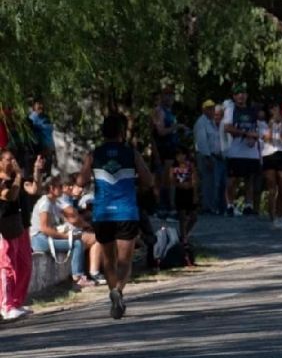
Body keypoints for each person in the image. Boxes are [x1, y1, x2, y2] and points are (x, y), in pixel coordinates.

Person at [77, 114, 153, 319]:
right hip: (126, 211)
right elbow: (148, 181)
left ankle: (113, 293)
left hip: (102, 213)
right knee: (124, 260)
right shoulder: (131, 153)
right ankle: (118, 291)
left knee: (109, 259)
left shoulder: (94, 155)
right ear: (121, 132)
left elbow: (81, 180)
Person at [0, 151, 44, 321]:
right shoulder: (4, 180)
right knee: (7, 266)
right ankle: (6, 306)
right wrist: (18, 176)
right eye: (9, 159)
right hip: (5, 227)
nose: (13, 162)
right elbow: (10, 196)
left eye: (14, 158)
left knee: (25, 264)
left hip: (22, 226)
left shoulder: (18, 178)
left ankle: (17, 302)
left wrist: (37, 172)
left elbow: (35, 189)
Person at [30, 176, 95, 289]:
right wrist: (65, 237)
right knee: (77, 243)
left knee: (77, 240)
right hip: (40, 239)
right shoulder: (45, 203)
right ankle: (78, 278)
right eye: (60, 187)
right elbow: (44, 228)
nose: (62, 190)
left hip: (45, 238)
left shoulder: (54, 202)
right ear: (51, 188)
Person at [222, 83, 261, 216]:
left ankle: (248, 205)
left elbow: (256, 129)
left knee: (249, 179)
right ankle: (230, 205)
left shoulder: (252, 111)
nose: (241, 96)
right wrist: (245, 134)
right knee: (232, 179)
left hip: (251, 151)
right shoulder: (231, 109)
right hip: (235, 150)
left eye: (243, 93)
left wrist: (254, 137)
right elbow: (227, 127)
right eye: (238, 93)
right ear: (234, 96)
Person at [151, 86, 185, 214]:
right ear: (161, 96)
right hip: (162, 150)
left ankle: (169, 206)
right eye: (167, 95)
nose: (170, 97)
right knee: (163, 179)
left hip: (171, 149)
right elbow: (160, 132)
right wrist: (176, 126)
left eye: (172, 95)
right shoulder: (159, 111)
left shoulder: (169, 112)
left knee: (170, 179)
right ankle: (161, 207)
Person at [259, 103, 282, 229]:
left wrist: (280, 127)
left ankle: (281, 215)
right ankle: (273, 218)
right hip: (268, 154)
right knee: (272, 188)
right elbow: (267, 139)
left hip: (281, 154)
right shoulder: (262, 124)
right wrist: (272, 125)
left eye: (276, 108)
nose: (274, 110)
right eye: (272, 108)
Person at [193, 99, 223, 214]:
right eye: (209, 108)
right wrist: (207, 157)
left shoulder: (211, 123)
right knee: (206, 181)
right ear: (204, 109)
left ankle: (211, 206)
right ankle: (206, 206)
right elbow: (202, 142)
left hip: (214, 156)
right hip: (205, 156)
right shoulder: (201, 122)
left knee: (212, 182)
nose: (211, 110)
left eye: (212, 108)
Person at [171, 146, 198, 245]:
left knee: (194, 217)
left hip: (190, 192)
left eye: (182, 154)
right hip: (180, 193)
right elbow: (172, 181)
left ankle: (185, 233)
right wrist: (180, 185)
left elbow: (194, 180)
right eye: (178, 155)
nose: (180, 157)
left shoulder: (190, 166)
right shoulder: (174, 167)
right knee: (182, 217)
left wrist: (195, 194)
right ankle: (183, 237)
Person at [28, 98, 57, 175]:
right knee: (40, 176)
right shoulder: (31, 119)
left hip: (49, 151)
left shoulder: (46, 117)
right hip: (41, 152)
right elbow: (32, 138)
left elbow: (50, 134)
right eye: (38, 104)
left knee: (48, 176)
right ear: (33, 106)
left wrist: (53, 149)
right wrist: (40, 152)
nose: (41, 106)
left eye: (42, 104)